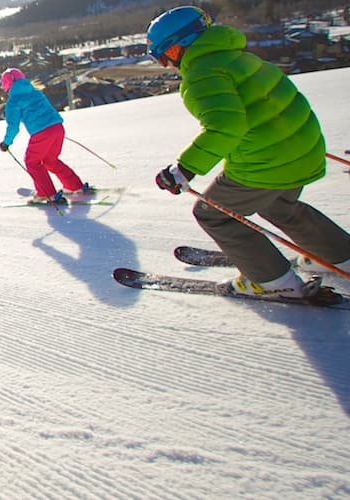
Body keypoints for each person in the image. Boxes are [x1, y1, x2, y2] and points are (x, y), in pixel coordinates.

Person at [147, 5, 350, 300]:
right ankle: (340, 255)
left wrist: (185, 169)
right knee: (279, 205)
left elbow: (226, 126)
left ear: (177, 47)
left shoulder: (202, 73)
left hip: (269, 160)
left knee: (214, 214)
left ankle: (272, 281)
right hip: (304, 148)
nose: (166, 65)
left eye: (163, 56)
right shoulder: (237, 56)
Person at [0, 67, 88, 204]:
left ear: (6, 85)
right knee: (50, 160)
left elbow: (13, 126)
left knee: (32, 162)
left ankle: (46, 194)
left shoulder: (13, 102)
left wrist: (6, 143)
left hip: (42, 133)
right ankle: (75, 185)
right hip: (58, 128)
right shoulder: (36, 93)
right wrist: (52, 129)